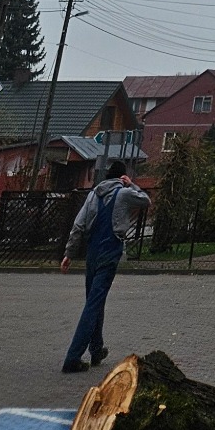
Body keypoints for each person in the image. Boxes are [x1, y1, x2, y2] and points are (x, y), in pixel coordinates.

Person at [59, 159, 149, 373]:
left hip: (92, 252)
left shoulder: (92, 195)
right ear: (121, 177)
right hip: (110, 251)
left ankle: (96, 349)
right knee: (93, 304)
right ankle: (73, 357)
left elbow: (78, 226)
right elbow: (146, 201)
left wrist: (68, 254)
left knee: (95, 300)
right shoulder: (124, 193)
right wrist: (132, 184)